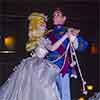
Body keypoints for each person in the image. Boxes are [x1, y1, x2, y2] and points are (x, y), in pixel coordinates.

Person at [0, 12, 66, 100]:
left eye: (45, 26)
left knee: (33, 89)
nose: (45, 28)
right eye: (42, 25)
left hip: (35, 64)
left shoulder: (41, 39)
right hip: (38, 66)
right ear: (36, 27)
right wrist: (66, 36)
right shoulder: (41, 40)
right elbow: (53, 48)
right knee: (40, 88)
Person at [46, 8, 88, 100]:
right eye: (53, 15)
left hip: (62, 65)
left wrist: (74, 40)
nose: (54, 17)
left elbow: (83, 46)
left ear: (64, 18)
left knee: (64, 94)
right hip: (48, 67)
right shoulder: (48, 33)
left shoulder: (69, 31)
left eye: (57, 15)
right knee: (51, 94)